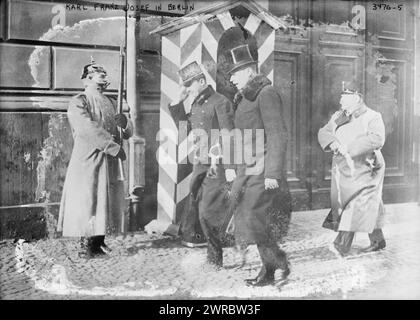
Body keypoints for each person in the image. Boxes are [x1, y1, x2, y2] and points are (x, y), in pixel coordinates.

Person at [228, 44, 292, 286]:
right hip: (248, 168)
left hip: (263, 169)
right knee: (251, 219)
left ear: (249, 70)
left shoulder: (266, 94)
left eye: (236, 72)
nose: (232, 78)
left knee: (255, 218)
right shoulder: (244, 98)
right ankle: (275, 264)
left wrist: (272, 172)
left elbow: (277, 134)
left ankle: (273, 267)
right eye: (230, 74)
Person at [57, 60, 133, 258]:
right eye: (101, 75)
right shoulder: (79, 101)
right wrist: (113, 147)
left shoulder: (112, 102)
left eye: (105, 74)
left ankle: (98, 242)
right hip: (88, 160)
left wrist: (124, 123)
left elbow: (127, 132)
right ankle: (85, 246)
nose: (105, 78)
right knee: (88, 200)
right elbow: (86, 129)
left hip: (108, 161)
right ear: (88, 79)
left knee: (104, 201)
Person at [168, 61, 236, 267]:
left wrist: (231, 166)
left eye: (189, 85)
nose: (186, 89)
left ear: (201, 81)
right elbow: (185, 129)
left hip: (218, 164)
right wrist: (176, 104)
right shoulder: (196, 103)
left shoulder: (220, 102)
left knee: (209, 210)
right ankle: (209, 249)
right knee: (198, 203)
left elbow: (228, 135)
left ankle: (215, 258)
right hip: (201, 163)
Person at [318, 80, 387, 257]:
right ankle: (378, 240)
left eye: (344, 97)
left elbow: (377, 139)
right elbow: (324, 132)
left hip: (367, 166)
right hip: (345, 168)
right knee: (368, 202)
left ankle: (341, 245)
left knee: (355, 202)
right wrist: (333, 142)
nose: (341, 100)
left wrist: (348, 147)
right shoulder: (339, 116)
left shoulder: (373, 116)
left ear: (357, 98)